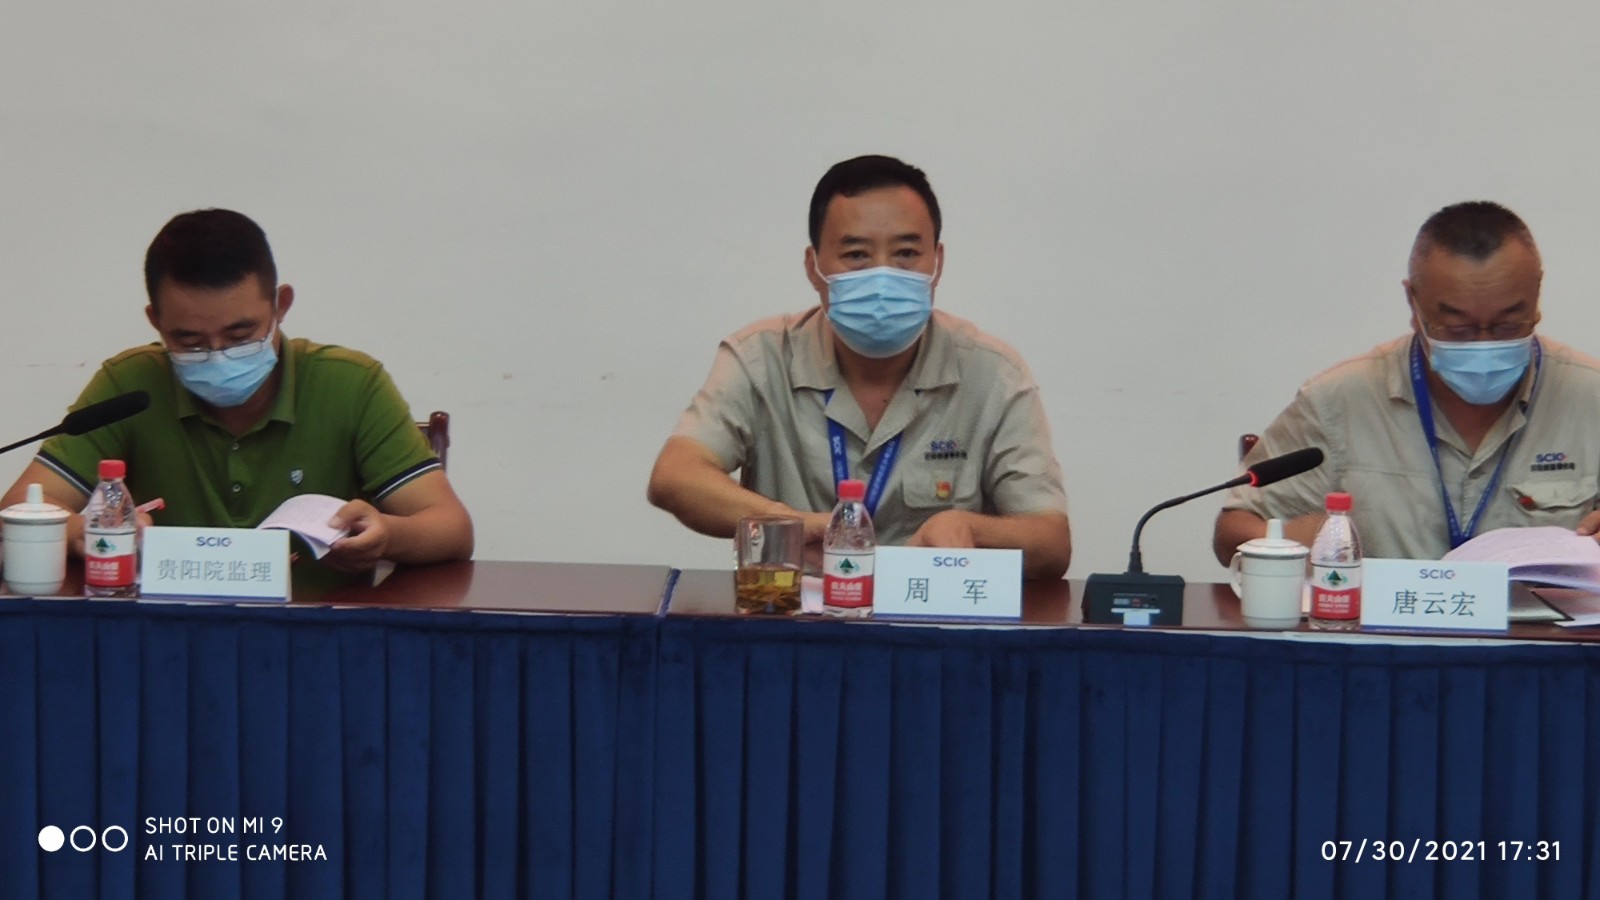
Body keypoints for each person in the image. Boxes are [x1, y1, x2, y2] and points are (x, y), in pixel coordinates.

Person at [648, 155, 1071, 579]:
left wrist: (971, 529)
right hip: (796, 614)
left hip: (932, 615)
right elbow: (675, 477)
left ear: (937, 262)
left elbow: (1052, 542)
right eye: (856, 255)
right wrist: (790, 523)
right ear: (814, 267)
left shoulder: (992, 373)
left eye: (906, 253)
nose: (883, 278)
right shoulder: (760, 358)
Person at [0, 208, 474, 581]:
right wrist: (82, 531)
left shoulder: (350, 384)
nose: (218, 355)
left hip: (316, 640)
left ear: (280, 305)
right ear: (156, 322)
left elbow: (452, 529)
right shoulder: (130, 385)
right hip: (159, 637)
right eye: (189, 341)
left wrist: (386, 535)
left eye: (240, 334)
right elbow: (17, 508)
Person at [1213, 200, 1600, 563]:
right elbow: (1233, 532)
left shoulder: (1590, 396)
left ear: (1536, 296)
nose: (1483, 343)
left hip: (1541, 616)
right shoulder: (1339, 401)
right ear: (1413, 302)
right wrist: (1291, 543)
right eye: (1458, 328)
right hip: (1382, 616)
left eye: (1507, 325)